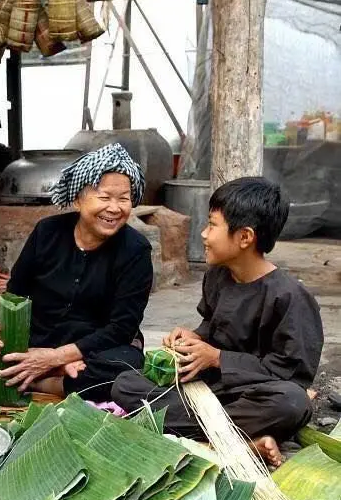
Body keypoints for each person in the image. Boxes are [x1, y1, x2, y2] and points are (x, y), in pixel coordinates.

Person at [111, 177, 324, 466]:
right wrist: (193, 339)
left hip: (255, 395)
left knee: (292, 402)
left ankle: (215, 438)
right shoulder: (218, 275)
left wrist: (218, 358)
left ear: (245, 237)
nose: (203, 234)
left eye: (212, 225)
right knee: (124, 384)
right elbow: (212, 327)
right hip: (214, 392)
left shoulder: (290, 297)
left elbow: (291, 375)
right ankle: (240, 440)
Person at [0, 143, 154, 400]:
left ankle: (43, 382)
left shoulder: (135, 250)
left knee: (122, 372)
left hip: (91, 350)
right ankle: (55, 378)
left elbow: (121, 328)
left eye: (124, 198)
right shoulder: (47, 232)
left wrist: (55, 358)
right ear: (77, 198)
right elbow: (14, 294)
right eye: (104, 197)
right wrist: (2, 334)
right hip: (36, 340)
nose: (115, 208)